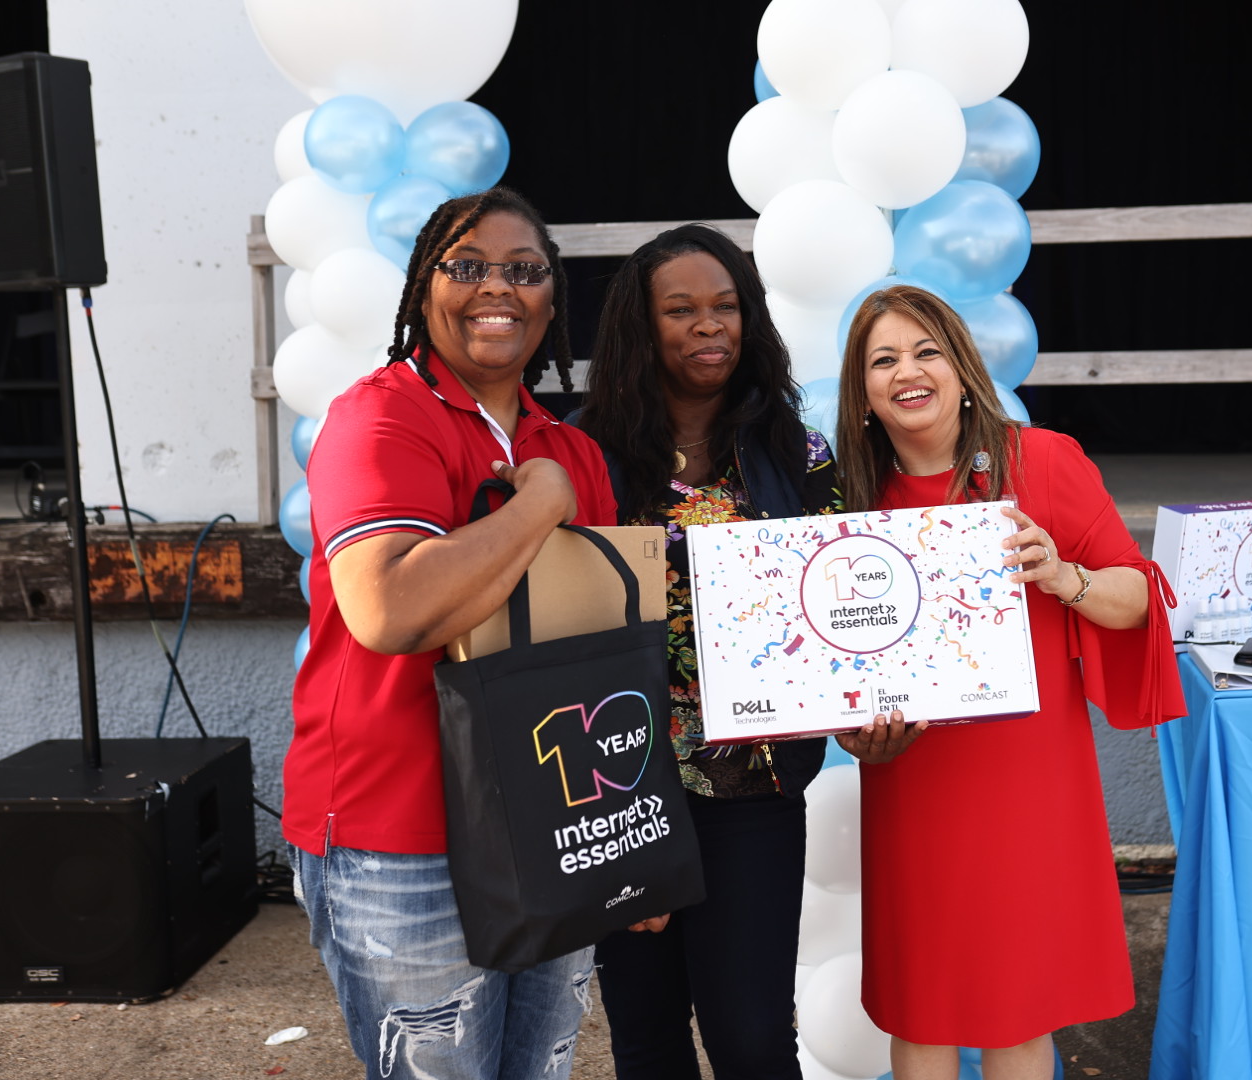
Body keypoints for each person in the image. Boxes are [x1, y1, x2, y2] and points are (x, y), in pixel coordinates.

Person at [282, 186, 659, 1080]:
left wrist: (632, 831)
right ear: (422, 289)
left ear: (551, 302)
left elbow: (601, 657)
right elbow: (389, 611)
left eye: (524, 271)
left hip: (551, 824)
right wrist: (539, 507)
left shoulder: (571, 448)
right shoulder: (381, 416)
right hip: (398, 835)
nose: (499, 288)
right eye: (468, 265)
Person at [574, 224, 911, 1079]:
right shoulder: (581, 457)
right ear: (639, 329)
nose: (707, 325)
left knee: (754, 1037)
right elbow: (561, 636)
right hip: (620, 786)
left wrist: (865, 712)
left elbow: (843, 610)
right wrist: (608, 825)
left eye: (725, 306)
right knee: (648, 1036)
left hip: (752, 785)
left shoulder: (797, 456)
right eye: (680, 310)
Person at [833, 285, 1186, 1080]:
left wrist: (1063, 577)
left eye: (926, 351)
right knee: (921, 1007)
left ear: (961, 367)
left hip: (1029, 778)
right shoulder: (849, 502)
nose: (907, 372)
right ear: (861, 392)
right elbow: (829, 665)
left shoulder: (1045, 464)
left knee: (1018, 1012)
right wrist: (852, 728)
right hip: (914, 778)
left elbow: (1138, 602)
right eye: (882, 360)